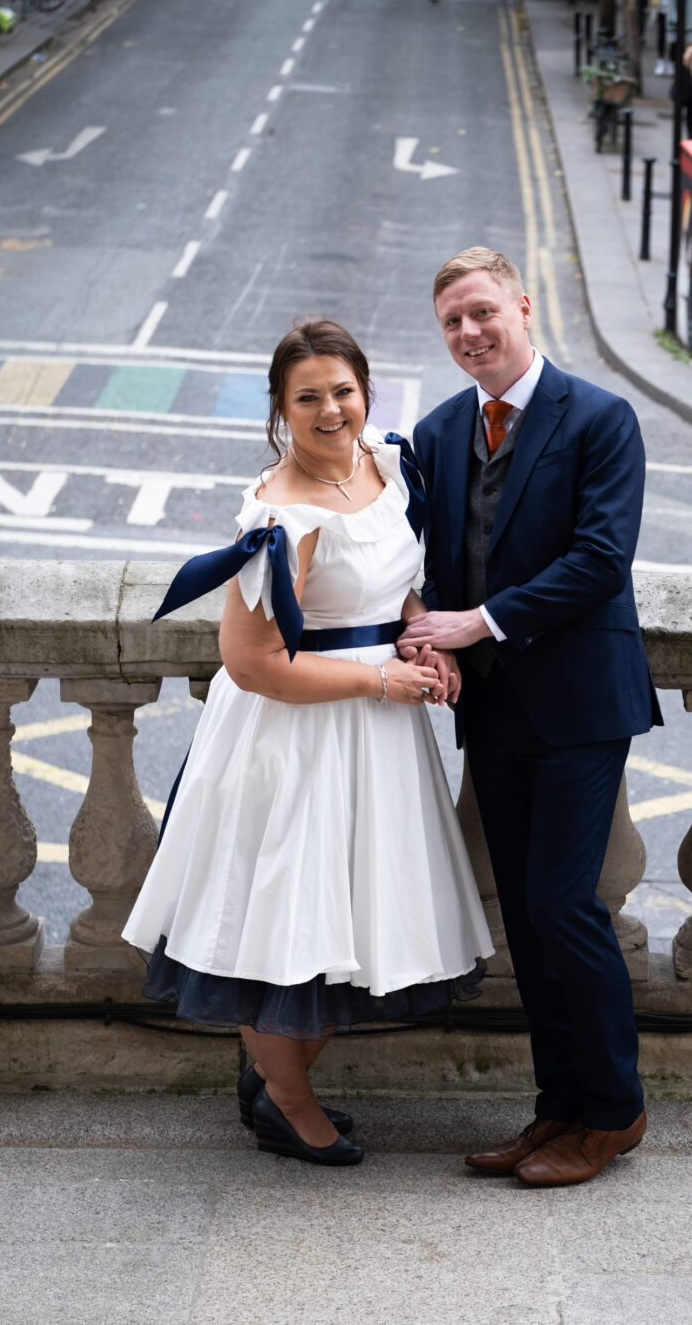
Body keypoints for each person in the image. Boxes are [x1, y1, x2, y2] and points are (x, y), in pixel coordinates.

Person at [122, 317, 495, 1167]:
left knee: (363, 914)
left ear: (365, 390)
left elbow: (399, 584)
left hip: (380, 732)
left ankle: (270, 1076)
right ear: (280, 410)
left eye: (343, 391)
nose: (331, 411)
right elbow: (250, 663)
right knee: (282, 917)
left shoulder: (389, 468)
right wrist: (381, 680)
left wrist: (419, 637)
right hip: (294, 735)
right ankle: (287, 1101)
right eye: (309, 398)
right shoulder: (280, 513)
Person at [398, 248, 663, 1188]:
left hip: (584, 702)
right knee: (525, 914)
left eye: (481, 314)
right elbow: (428, 569)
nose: (469, 335)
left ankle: (615, 1110)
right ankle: (557, 1110)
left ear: (520, 303)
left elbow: (603, 559)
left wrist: (481, 621)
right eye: (451, 324)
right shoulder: (434, 433)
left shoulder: (600, 417)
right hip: (494, 709)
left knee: (561, 905)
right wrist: (427, 637)